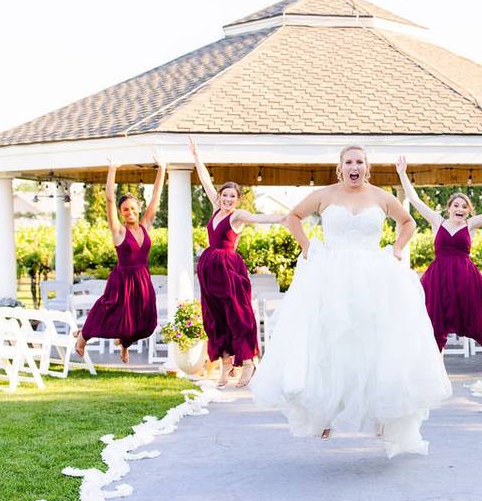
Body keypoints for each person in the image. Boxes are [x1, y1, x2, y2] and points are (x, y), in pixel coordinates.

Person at [250, 146, 452, 458]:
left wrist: (398, 247)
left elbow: (408, 223)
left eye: (359, 162)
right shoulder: (325, 194)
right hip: (331, 276)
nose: (354, 167)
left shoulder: (381, 197)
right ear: (340, 168)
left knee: (377, 345)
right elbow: (293, 217)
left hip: (374, 277)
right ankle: (323, 413)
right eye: (349, 162)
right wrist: (306, 246)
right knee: (329, 343)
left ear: (367, 168)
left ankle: (385, 413)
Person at [395, 156, 482, 371]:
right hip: (439, 277)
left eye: (464, 207)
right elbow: (414, 200)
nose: (460, 209)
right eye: (456, 205)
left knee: (475, 314)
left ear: (468, 211)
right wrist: (403, 173)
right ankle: (437, 360)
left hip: (465, 278)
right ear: (449, 207)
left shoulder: (470, 225)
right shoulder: (437, 222)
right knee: (435, 316)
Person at [189, 138, 286, 387]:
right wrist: (197, 157)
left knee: (238, 316)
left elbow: (259, 218)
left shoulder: (238, 216)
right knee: (215, 319)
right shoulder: (214, 208)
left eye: (232, 196)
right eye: (225, 195)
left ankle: (248, 362)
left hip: (229, 270)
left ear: (237, 199)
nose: (227, 199)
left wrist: (284, 218)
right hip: (210, 272)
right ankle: (225, 365)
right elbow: (205, 181)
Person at [76, 157, 165, 363]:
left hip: (142, 278)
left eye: (133, 208)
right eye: (125, 209)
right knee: (108, 312)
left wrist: (162, 168)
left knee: (146, 322)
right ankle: (83, 337)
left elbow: (156, 196)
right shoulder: (118, 230)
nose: (130, 212)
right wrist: (112, 169)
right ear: (121, 212)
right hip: (123, 279)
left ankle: (124, 343)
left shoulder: (145, 225)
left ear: (138, 209)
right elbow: (108, 199)